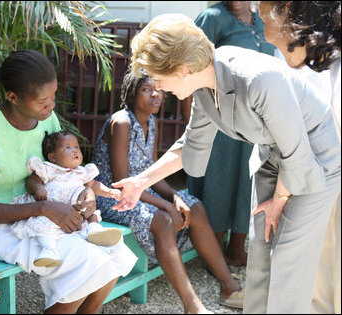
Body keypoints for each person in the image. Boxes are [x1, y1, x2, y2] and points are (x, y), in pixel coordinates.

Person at [111, 14, 341, 314]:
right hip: (274, 157)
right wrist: (139, 182)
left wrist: (279, 200)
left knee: (287, 259)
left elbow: (296, 153)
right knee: (261, 252)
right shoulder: (205, 86)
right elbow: (188, 148)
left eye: (160, 78)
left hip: (314, 159)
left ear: (184, 69)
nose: (160, 89)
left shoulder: (257, 79)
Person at [0, 49, 137, 314]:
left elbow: (64, 167)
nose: (51, 105)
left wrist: (87, 190)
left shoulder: (46, 120)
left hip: (51, 213)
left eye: (53, 96)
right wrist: (43, 209)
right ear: (13, 97)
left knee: (114, 250)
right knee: (86, 259)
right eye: (42, 100)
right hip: (0, 228)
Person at [91, 68, 244, 312]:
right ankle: (192, 305)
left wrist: (173, 197)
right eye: (146, 90)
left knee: (193, 205)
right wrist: (164, 205)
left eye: (159, 90)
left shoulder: (151, 122)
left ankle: (228, 286)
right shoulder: (121, 122)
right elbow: (122, 182)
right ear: (131, 94)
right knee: (162, 219)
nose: (155, 95)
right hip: (114, 199)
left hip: (142, 194)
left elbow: (153, 174)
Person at [257, 2, 341, 313]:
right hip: (322, 184)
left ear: (289, 13)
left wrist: (281, 195)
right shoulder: (313, 64)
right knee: (320, 276)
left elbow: (306, 142)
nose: (265, 35)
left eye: (265, 18)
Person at [182, 1, 276, 266]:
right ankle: (212, 256)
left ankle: (236, 250)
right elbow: (189, 68)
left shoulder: (262, 20)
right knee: (218, 185)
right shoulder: (212, 18)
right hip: (220, 120)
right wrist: (192, 124)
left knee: (247, 184)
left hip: (255, 122)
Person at [10, 130, 123, 268]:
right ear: (53, 157)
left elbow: (93, 185)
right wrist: (38, 188)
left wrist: (109, 191)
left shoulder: (82, 172)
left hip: (76, 210)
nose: (75, 151)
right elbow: (32, 181)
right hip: (53, 210)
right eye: (67, 148)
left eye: (76, 147)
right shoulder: (49, 169)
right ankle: (48, 250)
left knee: (91, 213)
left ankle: (94, 231)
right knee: (43, 224)